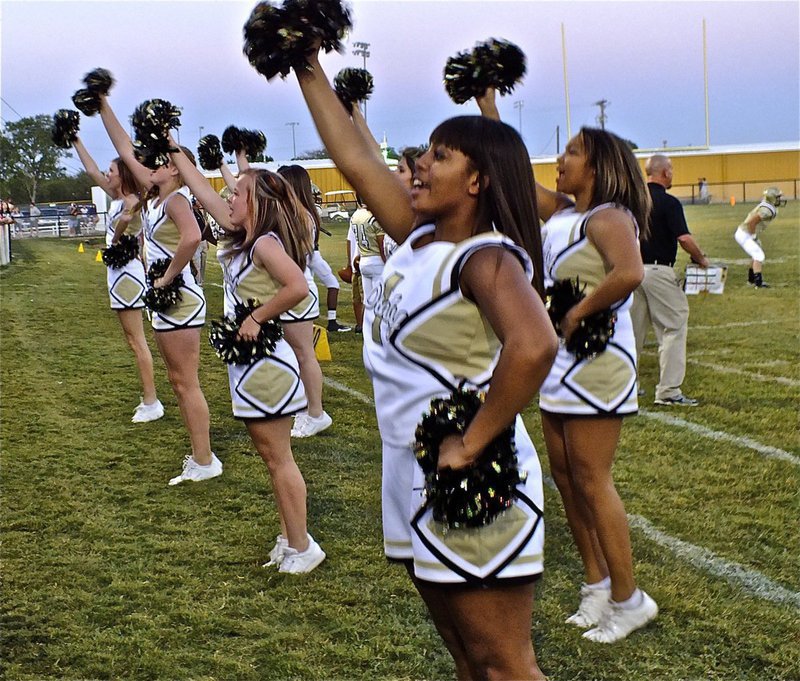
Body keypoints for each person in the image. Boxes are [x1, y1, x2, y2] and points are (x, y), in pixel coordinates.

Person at [296, 46, 557, 678]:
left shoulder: (485, 257)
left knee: (504, 666)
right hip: (410, 469)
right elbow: (354, 159)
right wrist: (306, 62)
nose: (417, 164)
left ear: (478, 181)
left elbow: (536, 344)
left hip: (470, 475)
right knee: (468, 660)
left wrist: (472, 441)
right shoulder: (417, 238)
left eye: (439, 155)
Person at [169, 141, 326, 574]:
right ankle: (290, 537)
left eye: (237, 193)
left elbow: (297, 286)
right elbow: (201, 189)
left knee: (279, 458)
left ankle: (303, 546)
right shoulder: (245, 237)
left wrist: (257, 316)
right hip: (250, 365)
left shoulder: (263, 245)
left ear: (256, 203)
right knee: (271, 456)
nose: (229, 196)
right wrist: (172, 148)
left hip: (267, 365)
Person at [537, 127, 658, 643]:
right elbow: (513, 173)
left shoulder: (608, 216)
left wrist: (579, 311)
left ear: (599, 165)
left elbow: (630, 273)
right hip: (562, 360)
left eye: (572, 152)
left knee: (592, 478)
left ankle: (630, 600)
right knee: (565, 476)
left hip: (598, 359)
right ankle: (597, 584)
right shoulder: (564, 213)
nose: (560, 159)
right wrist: (489, 108)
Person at [98, 93, 220, 486]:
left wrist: (167, 277)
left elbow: (191, 237)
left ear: (173, 168)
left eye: (159, 162)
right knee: (178, 380)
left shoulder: (177, 201)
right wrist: (103, 105)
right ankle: (200, 456)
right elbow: (123, 147)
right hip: (170, 300)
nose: (148, 164)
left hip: (179, 297)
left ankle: (204, 460)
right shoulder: (157, 197)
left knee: (186, 381)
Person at [71, 136, 164, 423]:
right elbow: (91, 171)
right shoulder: (117, 198)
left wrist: (117, 235)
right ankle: (148, 398)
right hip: (117, 273)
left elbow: (127, 220)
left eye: (111, 171)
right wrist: (75, 139)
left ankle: (151, 401)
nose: (106, 175)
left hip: (127, 274)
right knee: (131, 339)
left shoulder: (135, 200)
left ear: (122, 175)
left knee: (137, 341)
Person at [630, 154, 709, 407]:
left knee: (632, 333)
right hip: (658, 271)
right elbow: (684, 239)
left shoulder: (633, 201)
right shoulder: (669, 202)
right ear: (664, 173)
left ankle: (627, 386)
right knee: (674, 327)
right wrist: (702, 259)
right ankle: (669, 391)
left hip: (631, 271)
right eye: (671, 170)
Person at [276, 164, 334, 439]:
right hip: (290, 291)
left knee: (304, 354)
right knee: (294, 353)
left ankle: (316, 413)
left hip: (299, 293)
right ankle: (304, 406)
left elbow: (295, 256)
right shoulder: (295, 214)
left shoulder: (301, 216)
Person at [734, 186, 785, 288]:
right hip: (744, 234)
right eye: (777, 197)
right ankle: (758, 283)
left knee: (756, 253)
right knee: (759, 255)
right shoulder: (767, 210)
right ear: (772, 198)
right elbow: (752, 222)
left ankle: (751, 280)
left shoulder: (768, 206)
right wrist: (753, 237)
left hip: (743, 233)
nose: (780, 199)